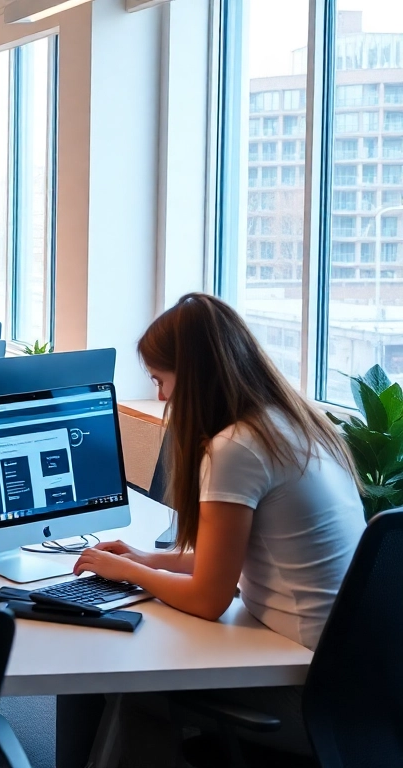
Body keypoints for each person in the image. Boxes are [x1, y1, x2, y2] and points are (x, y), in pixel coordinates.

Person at [72, 293, 365, 762]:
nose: (161, 397)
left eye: (161, 380)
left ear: (194, 377)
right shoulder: (296, 424)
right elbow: (234, 557)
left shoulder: (237, 447)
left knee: (126, 681)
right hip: (357, 680)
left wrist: (130, 574)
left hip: (309, 696)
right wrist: (146, 558)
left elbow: (209, 599)